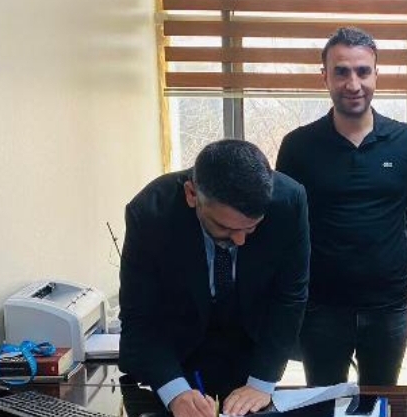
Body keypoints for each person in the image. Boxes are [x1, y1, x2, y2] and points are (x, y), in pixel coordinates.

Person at [275, 27, 407, 387]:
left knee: (380, 402)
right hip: (320, 308)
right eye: (342, 72)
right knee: (323, 402)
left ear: (377, 74)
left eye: (363, 71)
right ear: (325, 76)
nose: (353, 84)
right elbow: (283, 230)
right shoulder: (298, 146)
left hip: (389, 307)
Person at [119, 140, 309, 417]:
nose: (240, 240)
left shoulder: (289, 201)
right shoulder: (150, 213)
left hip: (253, 345)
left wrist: (261, 382)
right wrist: (175, 392)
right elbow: (140, 316)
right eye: (224, 227)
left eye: (251, 228)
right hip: (177, 352)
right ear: (192, 194)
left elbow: (289, 298)